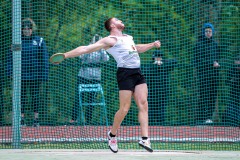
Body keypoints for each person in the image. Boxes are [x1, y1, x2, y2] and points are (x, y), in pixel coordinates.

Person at [50, 17, 161, 153]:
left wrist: (152, 44)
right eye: (118, 20)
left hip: (137, 72)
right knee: (124, 109)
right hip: (125, 74)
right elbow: (85, 49)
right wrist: (65, 55)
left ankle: (145, 139)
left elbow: (135, 48)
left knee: (143, 104)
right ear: (113, 25)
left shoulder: (128, 37)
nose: (121, 21)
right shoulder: (110, 40)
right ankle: (112, 135)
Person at [7, 18, 49, 127]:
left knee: (35, 96)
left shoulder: (39, 41)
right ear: (21, 30)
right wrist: (9, 72)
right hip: (21, 75)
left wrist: (44, 75)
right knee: (22, 97)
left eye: (28, 28)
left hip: (35, 75)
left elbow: (44, 59)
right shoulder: (16, 41)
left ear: (32, 29)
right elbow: (10, 57)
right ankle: (21, 119)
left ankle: (36, 120)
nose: (26, 31)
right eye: (24, 29)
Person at [70, 34, 109, 125]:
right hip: (83, 76)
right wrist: (90, 48)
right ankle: (73, 119)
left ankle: (88, 120)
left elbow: (106, 59)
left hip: (95, 77)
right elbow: (81, 57)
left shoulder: (101, 50)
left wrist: (101, 48)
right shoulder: (87, 48)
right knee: (79, 97)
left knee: (91, 99)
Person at [193, 23, 220, 125]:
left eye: (210, 31)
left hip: (213, 75)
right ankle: (201, 118)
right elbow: (197, 61)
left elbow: (218, 59)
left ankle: (209, 117)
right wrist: (211, 63)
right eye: (206, 31)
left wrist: (217, 63)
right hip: (203, 75)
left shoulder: (215, 45)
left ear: (212, 32)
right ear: (203, 32)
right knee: (203, 95)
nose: (208, 33)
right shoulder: (199, 44)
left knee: (212, 95)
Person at [142, 50, 177, 126]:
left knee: (161, 111)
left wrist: (162, 63)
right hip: (151, 92)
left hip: (162, 92)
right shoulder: (149, 66)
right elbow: (145, 72)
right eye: (156, 57)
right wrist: (155, 65)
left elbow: (175, 61)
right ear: (153, 58)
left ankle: (160, 126)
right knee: (150, 111)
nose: (158, 59)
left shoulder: (165, 65)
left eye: (160, 57)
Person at [222, 55, 240, 127]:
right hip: (233, 94)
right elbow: (226, 81)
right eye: (237, 64)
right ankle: (232, 123)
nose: (238, 66)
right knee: (232, 110)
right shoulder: (232, 69)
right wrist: (233, 80)